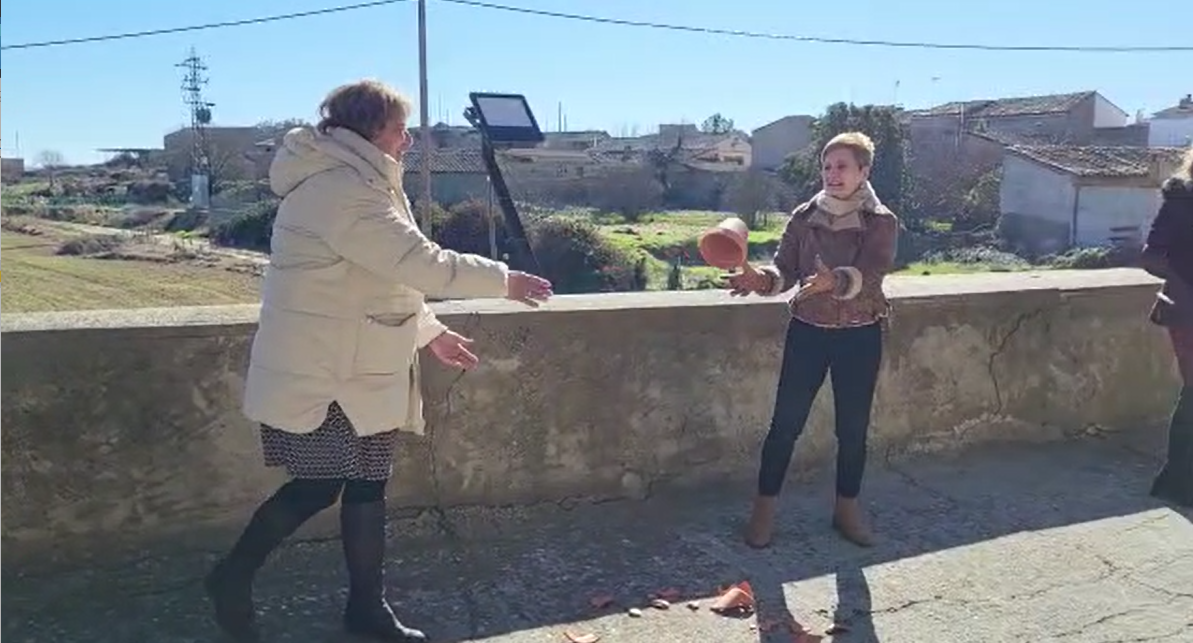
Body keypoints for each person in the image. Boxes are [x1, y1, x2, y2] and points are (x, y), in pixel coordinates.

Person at [203, 80, 553, 643]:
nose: (408, 140)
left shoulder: (366, 181)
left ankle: (367, 611)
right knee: (320, 483)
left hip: (362, 365)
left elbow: (382, 278)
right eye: (399, 129)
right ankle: (230, 577)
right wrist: (503, 280)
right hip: (324, 370)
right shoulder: (340, 189)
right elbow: (418, 262)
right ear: (368, 130)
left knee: (369, 484)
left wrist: (429, 332)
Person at [727, 132, 899, 549]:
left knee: (853, 430)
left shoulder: (882, 221)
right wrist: (758, 280)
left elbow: (872, 274)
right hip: (807, 332)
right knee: (784, 426)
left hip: (860, 335)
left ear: (864, 171)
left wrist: (834, 281)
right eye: (827, 166)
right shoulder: (804, 217)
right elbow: (784, 272)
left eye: (842, 166)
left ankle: (846, 511)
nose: (833, 174)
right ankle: (763, 513)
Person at [1141, 146, 1193, 508]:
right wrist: (1185, 289)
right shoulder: (1181, 198)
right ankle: (1178, 482)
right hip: (1187, 310)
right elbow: (1151, 255)